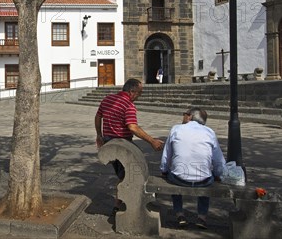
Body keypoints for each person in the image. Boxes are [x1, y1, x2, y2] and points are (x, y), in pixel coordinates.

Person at [95, 78, 164, 212]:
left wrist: (99, 135)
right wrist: (152, 141)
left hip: (109, 140)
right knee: (129, 174)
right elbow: (132, 127)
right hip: (122, 144)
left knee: (128, 173)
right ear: (132, 91)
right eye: (139, 93)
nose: (139, 96)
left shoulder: (108, 99)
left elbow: (98, 117)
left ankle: (128, 200)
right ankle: (119, 205)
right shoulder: (128, 105)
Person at [160, 107, 226, 230]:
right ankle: (202, 217)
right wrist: (218, 175)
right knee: (207, 176)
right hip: (203, 181)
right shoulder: (209, 132)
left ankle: (180, 214)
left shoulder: (176, 129)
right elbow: (219, 161)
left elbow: (166, 156)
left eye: (184, 114)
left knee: (173, 174)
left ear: (190, 116)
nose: (183, 116)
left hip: (179, 179)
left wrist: (164, 170)